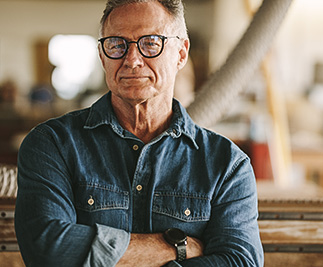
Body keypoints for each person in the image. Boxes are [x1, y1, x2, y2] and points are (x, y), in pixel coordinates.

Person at [15, 0, 264, 266]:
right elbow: (48, 250)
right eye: (116, 44)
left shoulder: (227, 164)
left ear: (181, 53)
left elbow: (241, 261)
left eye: (151, 43)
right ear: (102, 57)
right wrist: (177, 249)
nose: (132, 60)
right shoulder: (52, 145)